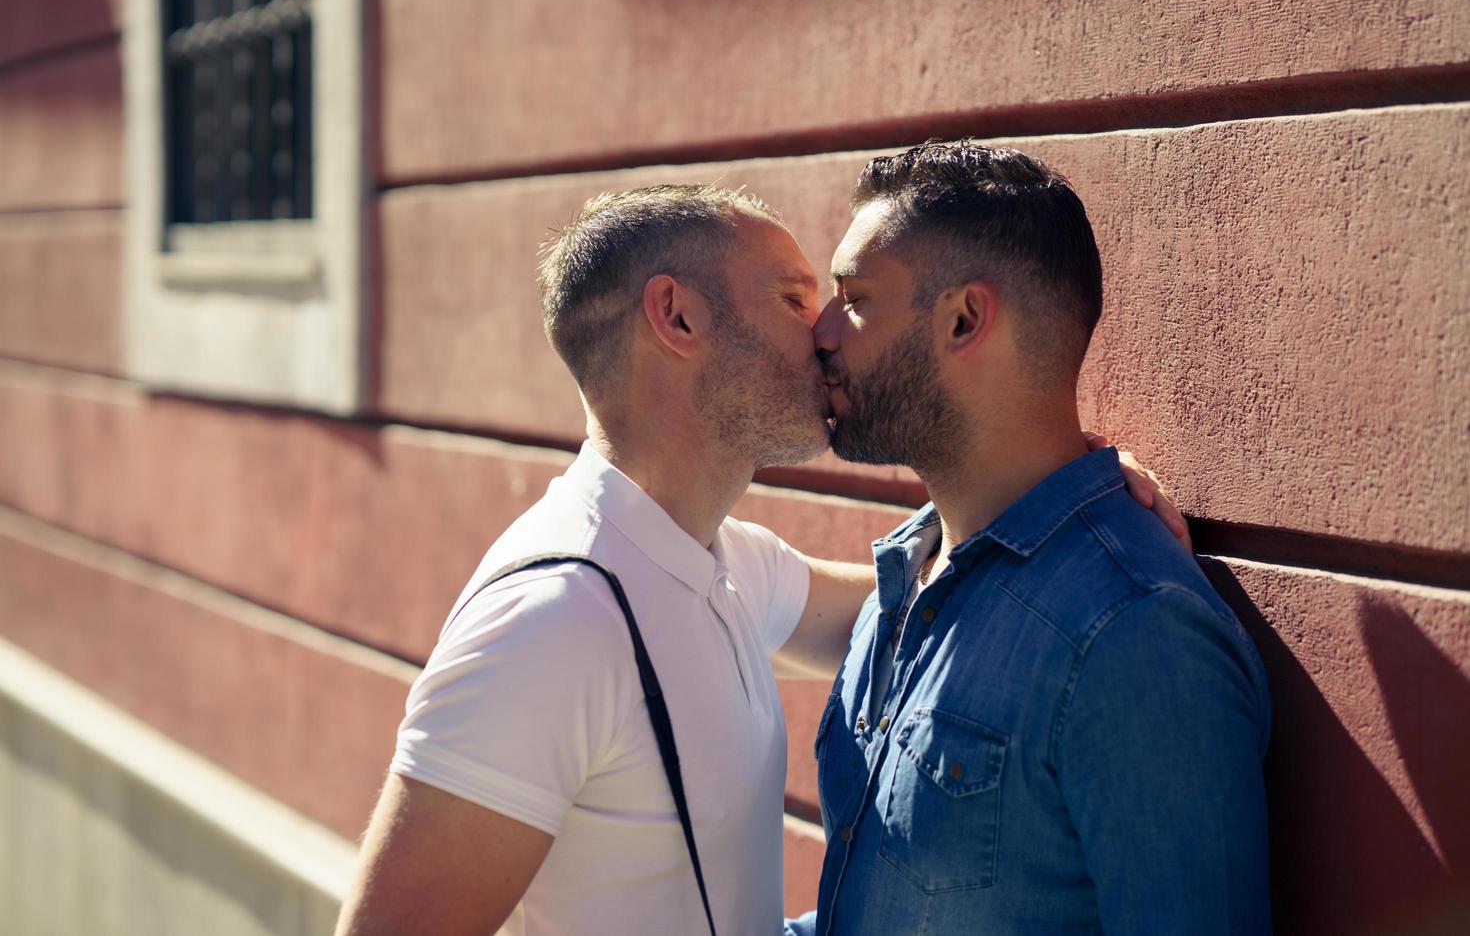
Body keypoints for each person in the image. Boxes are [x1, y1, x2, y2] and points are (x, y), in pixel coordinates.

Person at [334, 183, 1187, 936]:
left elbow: (942, 608)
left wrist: (1058, 488)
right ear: (678, 318)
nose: (823, 332)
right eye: (791, 296)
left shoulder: (722, 560)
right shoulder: (551, 620)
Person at [789, 142, 1271, 935]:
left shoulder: (1133, 635)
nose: (821, 331)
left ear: (965, 319)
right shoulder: (907, 578)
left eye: (855, 297)